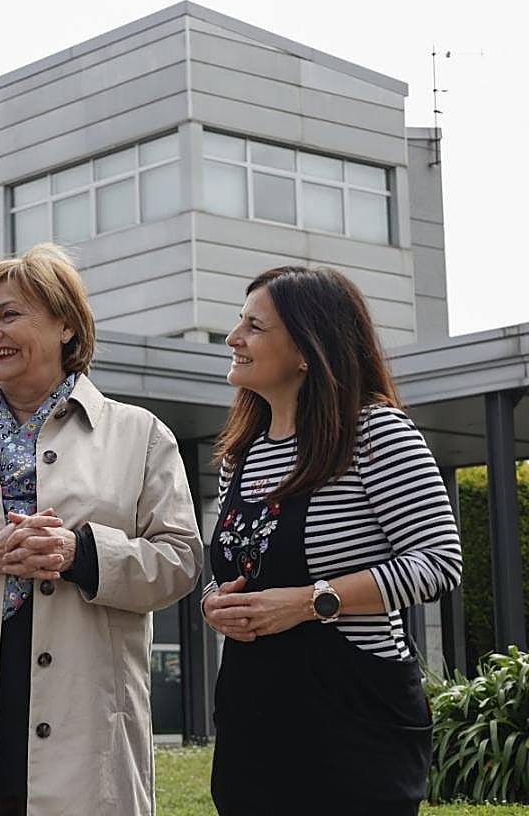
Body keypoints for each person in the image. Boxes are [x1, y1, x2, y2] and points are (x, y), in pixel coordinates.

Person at [0, 243, 202, 816]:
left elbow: (179, 560)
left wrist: (80, 554)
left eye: (8, 314)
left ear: (67, 328)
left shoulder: (140, 435)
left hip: (87, 702)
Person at [201, 266, 463, 815]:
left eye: (254, 326)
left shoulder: (375, 433)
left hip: (353, 718)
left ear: (306, 347)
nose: (233, 338)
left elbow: (439, 562)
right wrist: (214, 603)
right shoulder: (239, 456)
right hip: (254, 716)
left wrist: (310, 602)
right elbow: (231, 572)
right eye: (238, 322)